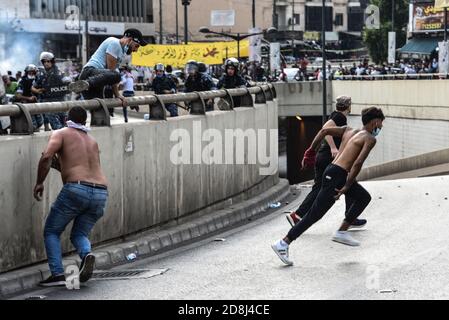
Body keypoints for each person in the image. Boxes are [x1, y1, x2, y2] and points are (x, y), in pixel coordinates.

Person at [272, 107, 385, 265]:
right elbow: (358, 163)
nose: (381, 127)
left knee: (363, 197)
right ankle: (283, 243)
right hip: (337, 175)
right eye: (381, 123)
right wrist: (346, 186)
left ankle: (342, 230)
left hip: (332, 171)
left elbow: (324, 131)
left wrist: (310, 152)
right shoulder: (369, 139)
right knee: (314, 215)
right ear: (375, 122)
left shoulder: (348, 130)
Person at [34, 106, 108, 286]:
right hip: (100, 192)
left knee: (52, 231)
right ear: (85, 121)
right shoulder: (92, 141)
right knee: (79, 233)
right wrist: (59, 166)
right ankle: (86, 254)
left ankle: (58, 274)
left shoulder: (61, 133)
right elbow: (80, 167)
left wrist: (39, 182)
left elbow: (46, 157)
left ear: (67, 117)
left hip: (76, 189)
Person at [286, 95, 367, 230]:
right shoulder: (339, 117)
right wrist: (333, 148)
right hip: (328, 158)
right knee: (349, 183)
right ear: (348, 106)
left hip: (322, 157)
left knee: (319, 188)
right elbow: (325, 128)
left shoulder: (335, 115)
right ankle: (350, 217)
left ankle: (297, 215)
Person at [68, 29, 147, 108]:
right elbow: (111, 72)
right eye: (136, 46)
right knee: (116, 75)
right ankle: (85, 84)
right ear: (130, 40)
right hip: (90, 72)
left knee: (98, 110)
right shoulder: (115, 43)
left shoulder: (120, 50)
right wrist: (117, 95)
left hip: (96, 81)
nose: (136, 50)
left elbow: (109, 76)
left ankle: (84, 84)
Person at [32, 52, 68, 131]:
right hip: (48, 103)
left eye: (48, 61)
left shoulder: (59, 73)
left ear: (52, 61)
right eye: (44, 61)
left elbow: (67, 84)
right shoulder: (40, 74)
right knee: (57, 129)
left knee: (66, 126)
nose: (46, 63)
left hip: (61, 101)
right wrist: (38, 91)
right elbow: (33, 87)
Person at [15, 64, 42, 131]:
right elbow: (18, 95)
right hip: (27, 104)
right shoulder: (22, 81)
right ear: (27, 72)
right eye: (30, 72)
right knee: (33, 125)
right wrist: (28, 98)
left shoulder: (38, 80)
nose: (31, 73)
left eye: (33, 72)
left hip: (37, 104)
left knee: (40, 122)